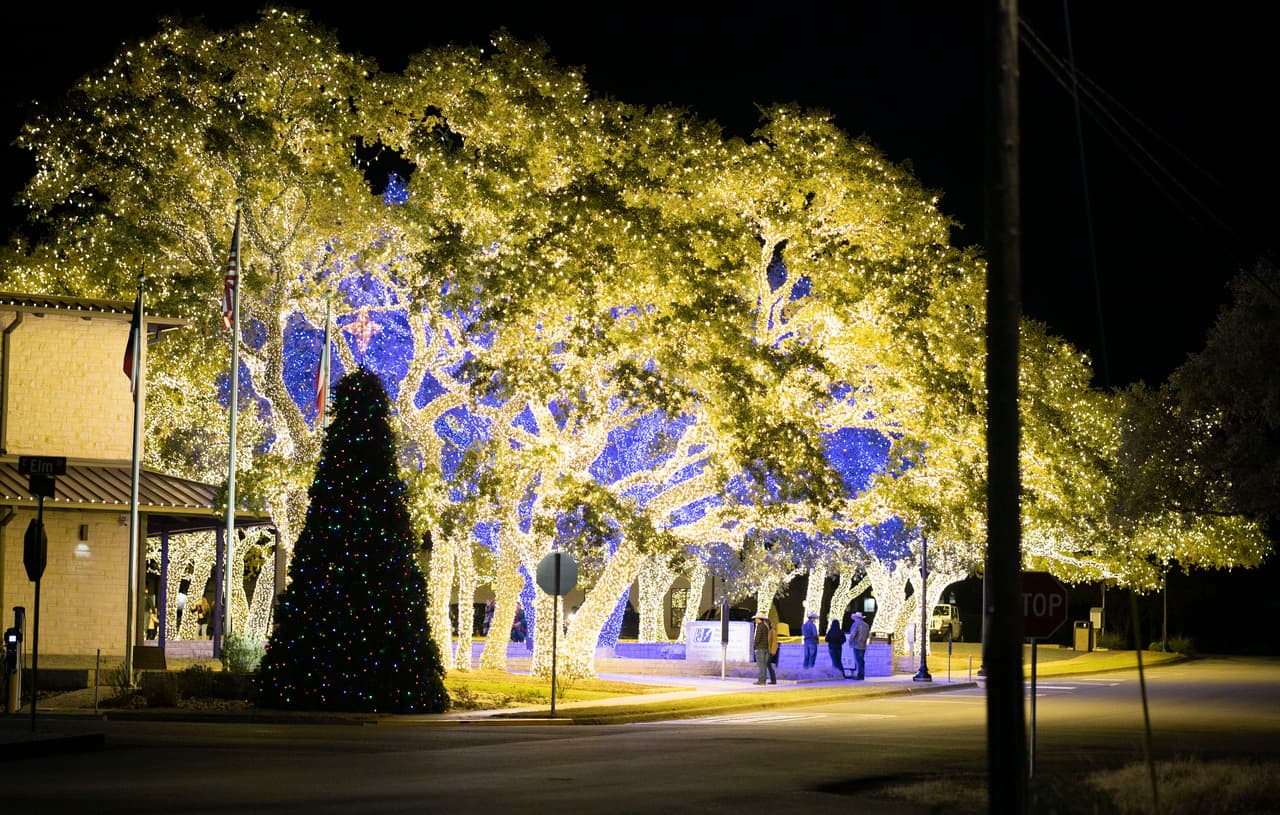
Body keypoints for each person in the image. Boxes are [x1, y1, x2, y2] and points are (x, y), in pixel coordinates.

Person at [849, 610, 871, 680]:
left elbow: (853, 634)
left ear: (856, 618)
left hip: (856, 644)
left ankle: (860, 675)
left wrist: (850, 641)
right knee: (861, 660)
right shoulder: (866, 625)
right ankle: (861, 674)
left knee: (858, 660)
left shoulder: (856, 624)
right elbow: (868, 635)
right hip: (863, 645)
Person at [752, 611, 773, 685]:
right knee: (764, 665)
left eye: (756, 618)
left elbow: (757, 638)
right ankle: (763, 679)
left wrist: (754, 646)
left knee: (761, 665)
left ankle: (761, 680)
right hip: (765, 648)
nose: (755, 620)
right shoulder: (765, 626)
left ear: (758, 619)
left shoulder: (759, 626)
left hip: (760, 648)